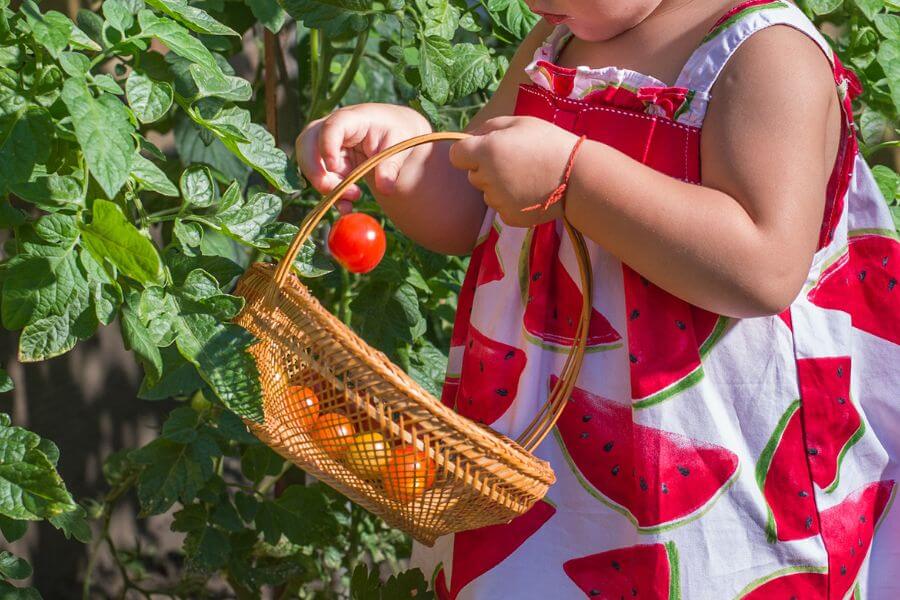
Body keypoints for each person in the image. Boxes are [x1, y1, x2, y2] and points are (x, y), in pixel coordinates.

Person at [296, 1, 899, 597]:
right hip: (532, 454)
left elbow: (763, 269)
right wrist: (406, 157)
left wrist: (573, 179)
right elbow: (470, 208)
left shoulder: (769, 56)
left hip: (714, 462)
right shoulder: (559, 36)